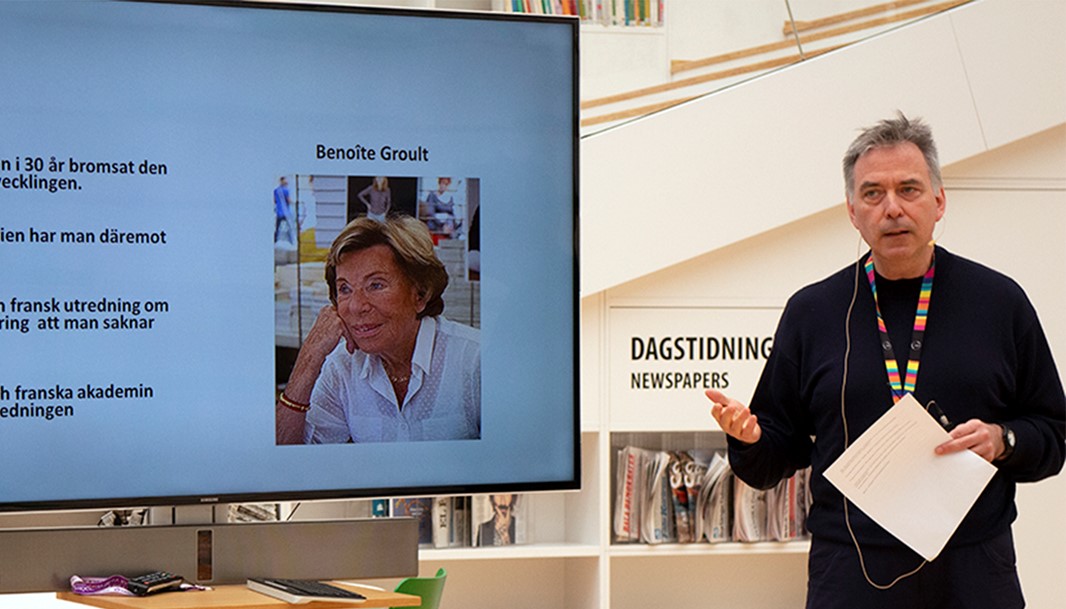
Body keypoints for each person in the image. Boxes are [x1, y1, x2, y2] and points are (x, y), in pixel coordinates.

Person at [705, 113, 1065, 609]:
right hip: (852, 569)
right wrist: (750, 438)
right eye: (873, 194)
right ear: (853, 211)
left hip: (974, 569)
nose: (892, 208)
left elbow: (1052, 433)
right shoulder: (812, 312)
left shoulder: (1000, 302)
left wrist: (1003, 440)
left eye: (909, 189)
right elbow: (776, 456)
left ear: (939, 201)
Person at [275, 215, 480, 444]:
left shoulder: (476, 360)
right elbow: (289, 464)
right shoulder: (342, 366)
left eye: (376, 285)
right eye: (345, 289)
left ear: (420, 294)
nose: (356, 306)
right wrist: (309, 358)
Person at [274, 176, 295, 244]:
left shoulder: (276, 190)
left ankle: (275, 241)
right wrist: (294, 203)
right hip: (285, 212)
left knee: (277, 228)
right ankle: (292, 241)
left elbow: (275, 201)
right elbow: (288, 200)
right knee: (290, 227)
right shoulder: (286, 190)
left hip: (278, 212)